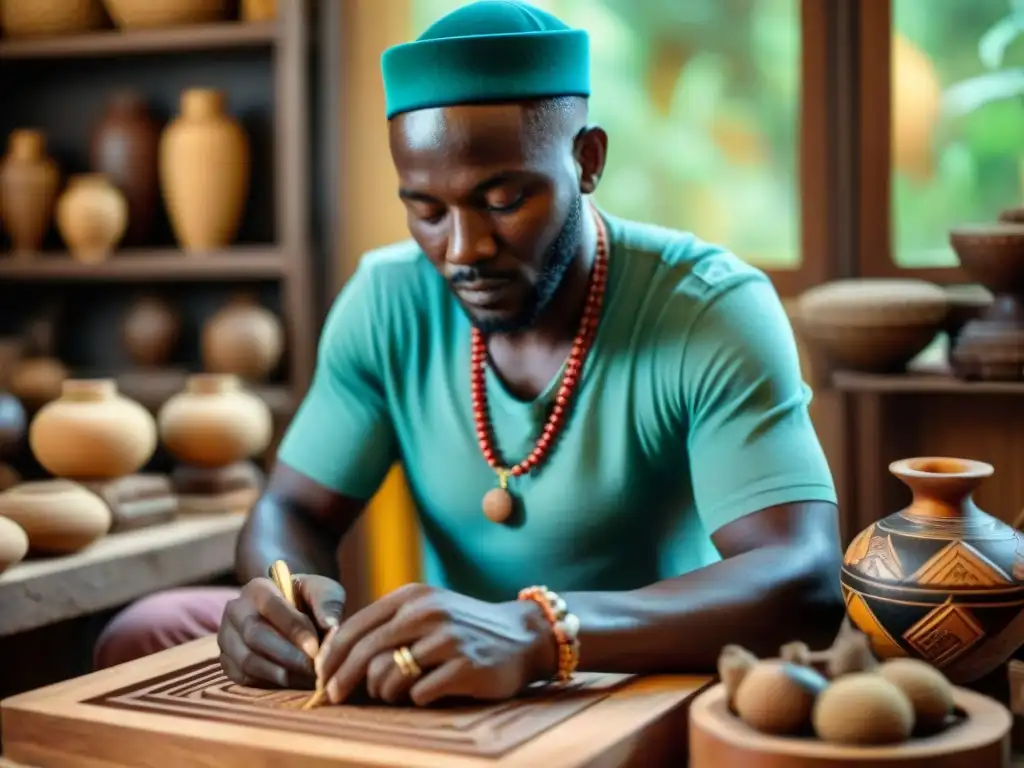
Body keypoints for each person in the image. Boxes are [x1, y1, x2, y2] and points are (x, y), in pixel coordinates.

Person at [95, 0, 844, 707]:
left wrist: (540, 632)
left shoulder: (709, 307)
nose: (461, 250)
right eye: (425, 209)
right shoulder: (387, 300)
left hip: (643, 677)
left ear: (586, 162)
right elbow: (290, 506)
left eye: (502, 200)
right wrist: (283, 598)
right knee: (148, 629)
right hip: (450, 679)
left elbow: (801, 577)